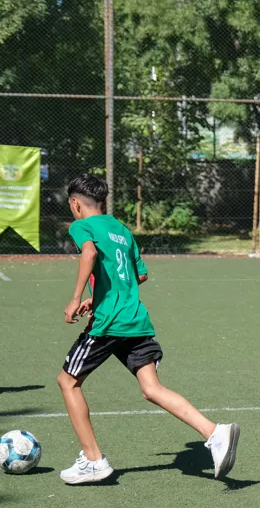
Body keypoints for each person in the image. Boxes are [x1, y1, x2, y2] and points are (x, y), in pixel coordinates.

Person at [56, 175, 240, 485]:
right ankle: (215, 432)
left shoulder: (81, 226)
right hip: (136, 320)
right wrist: (97, 297)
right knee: (151, 388)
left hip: (109, 323)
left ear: (75, 203)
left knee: (68, 381)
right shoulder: (122, 230)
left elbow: (89, 253)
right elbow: (138, 274)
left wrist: (76, 299)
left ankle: (93, 459)